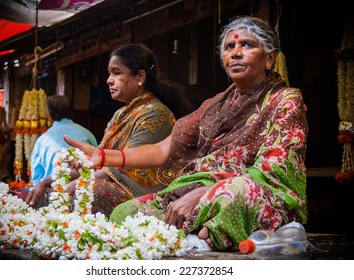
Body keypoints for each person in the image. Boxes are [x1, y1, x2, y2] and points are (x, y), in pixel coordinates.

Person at [63, 16, 309, 251]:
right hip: (201, 187)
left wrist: (206, 192)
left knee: (230, 196)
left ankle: (202, 235)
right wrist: (103, 156)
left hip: (254, 192)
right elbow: (163, 149)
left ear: (269, 59)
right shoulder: (214, 106)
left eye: (247, 45)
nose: (235, 52)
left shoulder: (285, 100)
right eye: (229, 46)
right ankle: (200, 235)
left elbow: (274, 168)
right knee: (125, 213)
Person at [26, 43, 194, 216]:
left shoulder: (156, 113)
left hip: (140, 193)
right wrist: (49, 181)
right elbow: (98, 161)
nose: (109, 80)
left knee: (85, 190)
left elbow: (124, 167)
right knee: (61, 189)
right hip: (115, 182)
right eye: (109, 73)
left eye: (116, 72)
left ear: (140, 77)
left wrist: (78, 182)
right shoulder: (121, 114)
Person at [28, 95, 98, 203]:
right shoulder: (87, 135)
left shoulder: (43, 140)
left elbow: (37, 179)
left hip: (53, 199)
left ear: (49, 116)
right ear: (70, 112)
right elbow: (98, 164)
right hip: (84, 198)